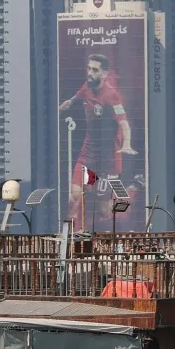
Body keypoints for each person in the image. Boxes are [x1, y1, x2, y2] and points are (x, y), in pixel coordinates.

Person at [59, 53, 137, 226]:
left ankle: (132, 189)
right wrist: (64, 106)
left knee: (104, 210)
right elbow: (75, 98)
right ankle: (70, 233)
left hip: (106, 159)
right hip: (87, 155)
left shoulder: (111, 95)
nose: (90, 73)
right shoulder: (87, 85)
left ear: (105, 73)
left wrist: (127, 144)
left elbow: (124, 122)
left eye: (94, 70)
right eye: (88, 68)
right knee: (74, 196)